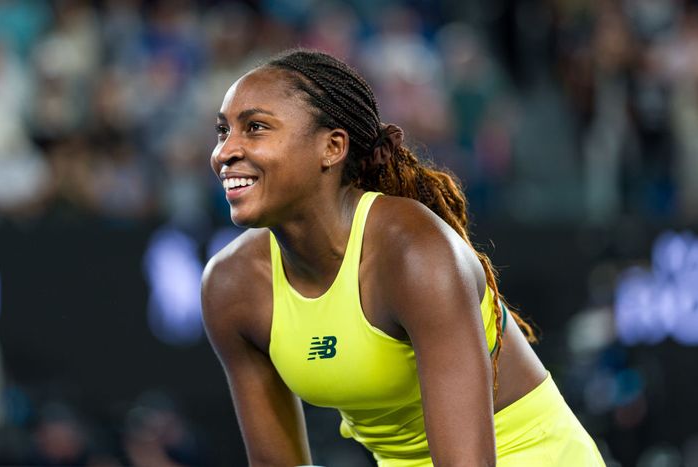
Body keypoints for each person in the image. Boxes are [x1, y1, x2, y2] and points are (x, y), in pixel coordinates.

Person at [201, 48, 605, 467]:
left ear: (332, 147)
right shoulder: (232, 285)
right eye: (222, 131)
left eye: (255, 128)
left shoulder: (414, 253)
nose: (224, 152)